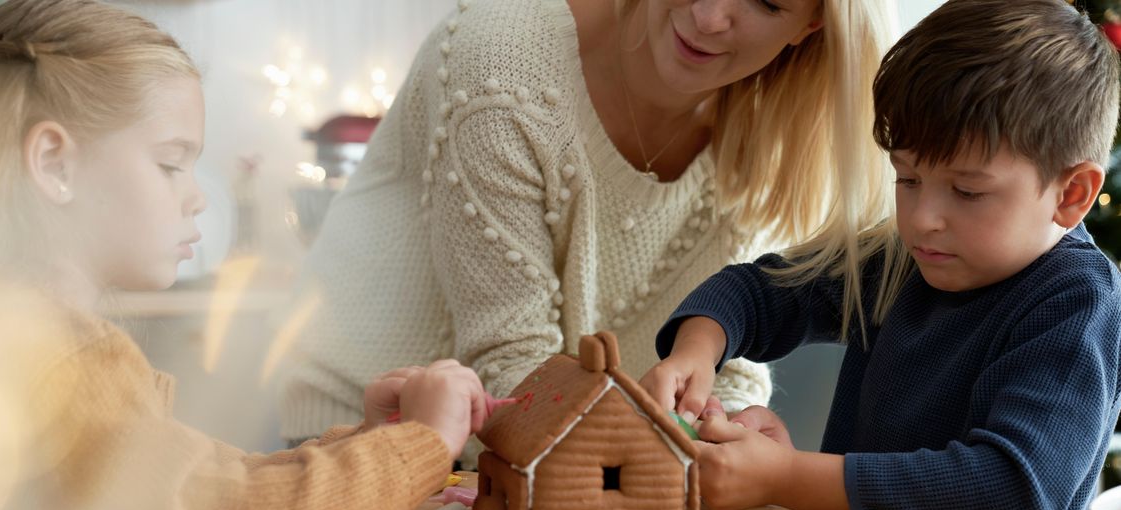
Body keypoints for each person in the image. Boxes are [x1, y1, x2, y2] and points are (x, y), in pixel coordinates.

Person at [0, 0, 488, 510]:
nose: (197, 198)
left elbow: (205, 485)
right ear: (52, 162)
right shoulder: (64, 357)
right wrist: (421, 445)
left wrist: (374, 443)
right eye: (171, 164)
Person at [277, 0, 896, 450]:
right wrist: (680, 442)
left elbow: (719, 347)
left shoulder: (776, 128)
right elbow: (510, 363)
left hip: (579, 456)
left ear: (811, 21)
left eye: (765, 2)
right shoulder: (501, 66)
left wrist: (730, 425)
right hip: (367, 441)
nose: (710, 16)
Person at [641, 0, 1121, 510]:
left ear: (1072, 194)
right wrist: (696, 353)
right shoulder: (902, 260)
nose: (923, 219)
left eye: (967, 192)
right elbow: (756, 292)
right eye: (907, 178)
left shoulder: (1076, 302)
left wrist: (788, 478)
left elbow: (1010, 491)